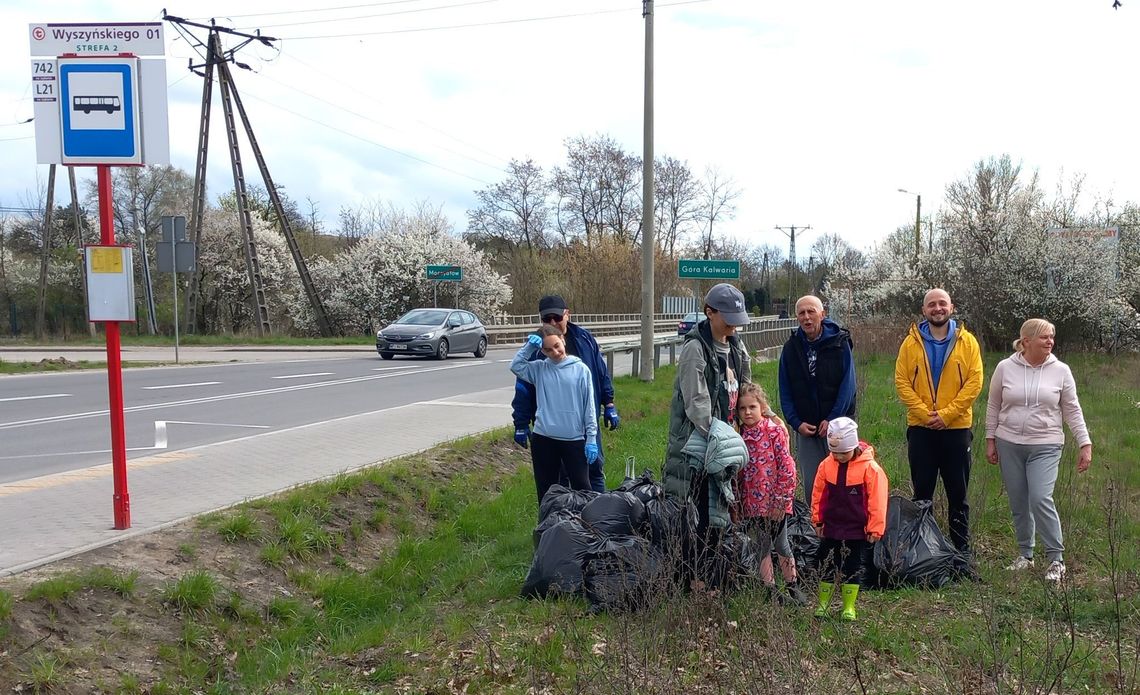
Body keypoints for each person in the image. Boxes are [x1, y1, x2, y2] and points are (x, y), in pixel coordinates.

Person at [985, 318, 1092, 583]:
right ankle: (1025, 555)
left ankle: (1056, 559)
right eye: (1044, 337)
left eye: (1052, 337)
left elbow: (1072, 409)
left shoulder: (1061, 371)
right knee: (1019, 501)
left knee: (1041, 498)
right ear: (1026, 342)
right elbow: (993, 405)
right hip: (1008, 443)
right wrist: (990, 439)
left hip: (1046, 443)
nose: (1050, 342)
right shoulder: (1004, 367)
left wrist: (1084, 443)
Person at [663, 283, 752, 583]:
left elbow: (746, 390)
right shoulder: (695, 348)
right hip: (700, 445)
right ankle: (693, 579)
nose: (733, 323)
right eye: (727, 317)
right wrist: (719, 436)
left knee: (720, 514)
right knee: (700, 512)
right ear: (709, 313)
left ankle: (712, 576)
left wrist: (763, 418)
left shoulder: (738, 348)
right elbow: (696, 402)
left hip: (728, 443)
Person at [894, 288, 983, 555]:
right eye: (931, 304)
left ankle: (961, 553)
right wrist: (925, 414)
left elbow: (974, 382)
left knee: (958, 495)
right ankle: (925, 553)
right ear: (924, 310)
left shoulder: (967, 342)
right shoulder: (910, 344)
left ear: (951, 307)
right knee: (922, 495)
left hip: (956, 429)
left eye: (942, 303)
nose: (937, 308)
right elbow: (902, 382)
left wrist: (946, 415)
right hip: (921, 430)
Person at [512, 295, 618, 493]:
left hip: (583, 426)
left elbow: (601, 374)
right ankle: (559, 521)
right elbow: (522, 389)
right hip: (550, 430)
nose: (553, 322)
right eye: (547, 319)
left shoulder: (585, 340)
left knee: (592, 474)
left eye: (557, 317)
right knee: (557, 482)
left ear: (567, 315)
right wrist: (520, 422)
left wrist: (609, 403)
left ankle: (597, 520)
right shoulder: (538, 351)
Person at [777, 295, 856, 510]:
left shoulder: (840, 344)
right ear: (796, 317)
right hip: (807, 428)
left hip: (838, 425)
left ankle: (845, 530)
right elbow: (784, 388)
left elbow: (848, 386)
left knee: (844, 480)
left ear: (822, 314)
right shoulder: (791, 348)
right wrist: (795, 422)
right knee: (814, 483)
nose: (807, 317)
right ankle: (818, 531)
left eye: (811, 311)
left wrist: (832, 419)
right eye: (801, 313)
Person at [734, 382, 807, 605]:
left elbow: (787, 468)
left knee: (781, 544)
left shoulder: (774, 431)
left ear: (762, 407)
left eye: (752, 407)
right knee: (762, 545)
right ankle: (771, 589)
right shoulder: (739, 436)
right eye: (742, 408)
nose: (747, 412)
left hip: (775, 503)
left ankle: (793, 585)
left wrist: (783, 499)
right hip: (752, 504)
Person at [511, 325, 599, 505]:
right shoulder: (539, 369)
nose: (555, 352)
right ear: (542, 351)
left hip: (573, 438)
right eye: (548, 350)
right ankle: (548, 529)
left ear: (563, 340)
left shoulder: (581, 370)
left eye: (557, 345)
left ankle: (587, 529)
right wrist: (528, 347)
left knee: (583, 489)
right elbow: (516, 366)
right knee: (546, 492)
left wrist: (591, 438)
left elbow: (589, 406)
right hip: (544, 438)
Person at [811, 417, 887, 622]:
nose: (839, 456)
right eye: (834, 452)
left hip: (857, 527)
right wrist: (817, 520)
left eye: (843, 452)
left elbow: (877, 500)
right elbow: (818, 494)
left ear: (853, 446)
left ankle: (849, 606)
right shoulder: (826, 465)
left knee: (853, 565)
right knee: (827, 563)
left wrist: (875, 528)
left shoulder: (870, 469)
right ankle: (823, 603)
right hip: (832, 525)